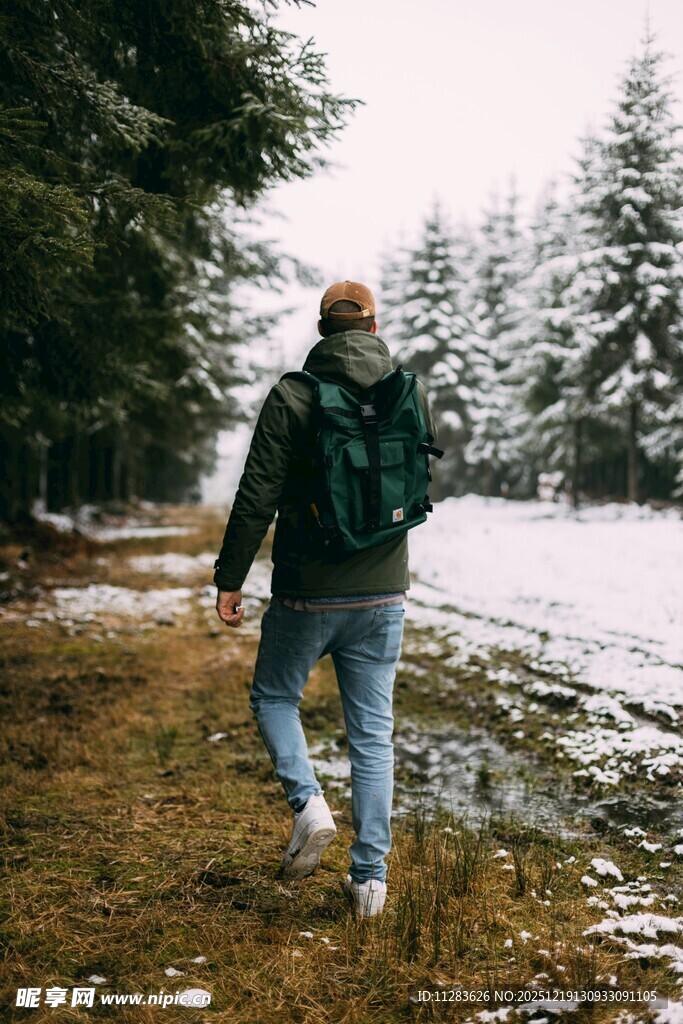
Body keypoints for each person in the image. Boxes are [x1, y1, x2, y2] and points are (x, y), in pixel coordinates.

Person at [214, 280, 437, 917]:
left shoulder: (293, 394)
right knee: (372, 739)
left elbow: (257, 492)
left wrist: (231, 578)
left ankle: (309, 805)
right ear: (372, 327)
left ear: (322, 331)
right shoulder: (408, 391)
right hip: (383, 593)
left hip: (306, 594)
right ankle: (370, 884)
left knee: (274, 696)